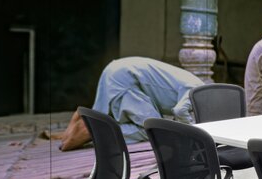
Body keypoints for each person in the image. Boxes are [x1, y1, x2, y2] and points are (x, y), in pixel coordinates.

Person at [57, 57, 204, 151]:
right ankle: (95, 131)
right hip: (125, 77)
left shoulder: (196, 83)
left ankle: (83, 121)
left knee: (152, 123)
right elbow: (179, 111)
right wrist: (195, 133)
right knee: (154, 129)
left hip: (120, 70)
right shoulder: (199, 91)